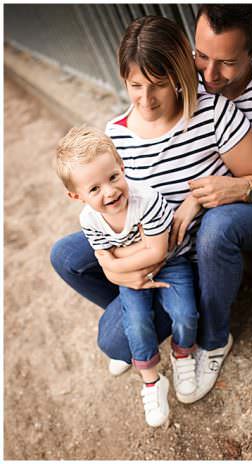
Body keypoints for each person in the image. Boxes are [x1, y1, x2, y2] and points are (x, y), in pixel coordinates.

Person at [49, 16, 252, 405]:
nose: (146, 99)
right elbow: (115, 201)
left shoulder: (214, 115)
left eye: (158, 86)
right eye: (135, 86)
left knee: (112, 341)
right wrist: (125, 268)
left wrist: (198, 198)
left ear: (179, 75)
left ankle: (158, 329)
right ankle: (139, 312)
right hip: (139, 244)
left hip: (180, 257)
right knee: (65, 255)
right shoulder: (116, 132)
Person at [158, 4, 252, 402]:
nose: (207, 76)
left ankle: (214, 338)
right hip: (213, 188)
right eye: (201, 56)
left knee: (217, 229)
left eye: (225, 63)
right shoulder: (193, 71)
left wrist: (240, 190)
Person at [56, 127, 199, 426]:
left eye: (112, 178)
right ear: (75, 196)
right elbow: (104, 259)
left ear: (121, 167)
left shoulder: (146, 200)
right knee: (135, 321)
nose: (109, 192)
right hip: (129, 275)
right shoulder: (89, 219)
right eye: (94, 189)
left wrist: (114, 262)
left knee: (185, 313)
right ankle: (151, 381)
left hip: (172, 264)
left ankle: (183, 354)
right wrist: (118, 265)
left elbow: (157, 252)